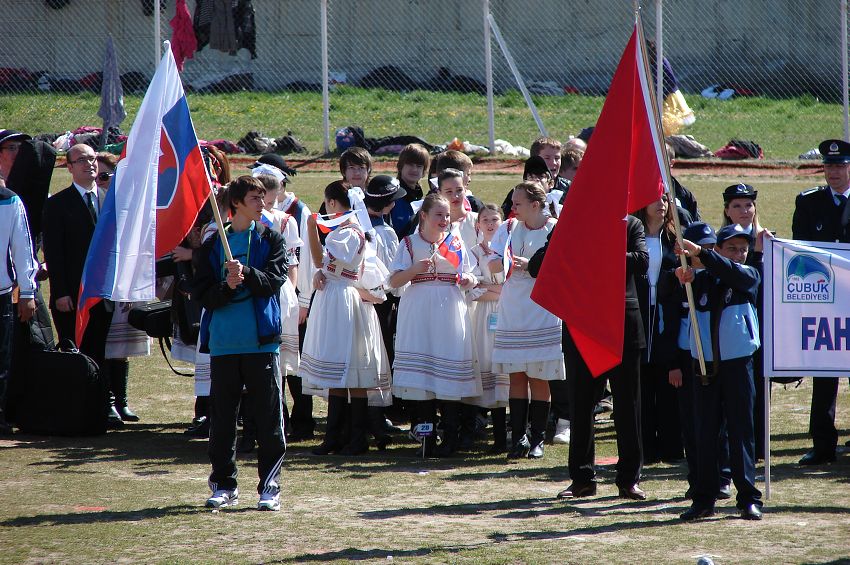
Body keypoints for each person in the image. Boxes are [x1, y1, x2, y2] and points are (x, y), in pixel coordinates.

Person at [532, 215, 648, 500]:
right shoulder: (570, 225)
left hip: (621, 325)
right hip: (582, 326)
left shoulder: (631, 224)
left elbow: (641, 261)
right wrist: (569, 244)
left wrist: (596, 251)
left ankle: (629, 479)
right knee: (581, 406)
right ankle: (582, 479)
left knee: (627, 406)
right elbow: (538, 266)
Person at [193, 175, 287, 511]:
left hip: (261, 344)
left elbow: (275, 281)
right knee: (222, 420)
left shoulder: (270, 239)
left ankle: (270, 486)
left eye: (263, 198)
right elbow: (202, 294)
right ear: (235, 204)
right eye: (254, 199)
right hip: (224, 344)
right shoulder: (213, 244)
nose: (262, 204)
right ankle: (224, 485)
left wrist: (246, 273)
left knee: (267, 418)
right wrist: (226, 286)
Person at [675, 224, 763, 521]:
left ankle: (748, 497)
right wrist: (682, 276)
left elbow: (732, 273)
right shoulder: (700, 280)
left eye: (743, 249)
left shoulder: (748, 275)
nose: (739, 255)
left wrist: (702, 254)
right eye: (731, 249)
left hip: (738, 364)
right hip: (704, 366)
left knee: (741, 432)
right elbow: (675, 287)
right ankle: (704, 498)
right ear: (719, 249)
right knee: (706, 434)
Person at [300, 181, 390, 456]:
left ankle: (357, 437)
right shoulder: (344, 231)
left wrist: (311, 229)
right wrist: (320, 273)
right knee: (338, 370)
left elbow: (320, 259)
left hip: (344, 300)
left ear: (333, 203)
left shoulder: (349, 233)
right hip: (334, 297)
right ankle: (335, 436)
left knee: (352, 369)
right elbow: (325, 267)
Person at [389, 193, 479, 457]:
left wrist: (468, 281)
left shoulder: (455, 243)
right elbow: (394, 282)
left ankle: (450, 437)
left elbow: (472, 273)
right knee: (423, 378)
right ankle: (426, 438)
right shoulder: (409, 243)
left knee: (448, 372)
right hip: (418, 310)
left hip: (449, 309)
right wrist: (415, 269)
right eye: (439, 214)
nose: (444, 220)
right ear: (424, 216)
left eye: (447, 215)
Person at [42, 144, 122, 427]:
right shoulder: (57, 204)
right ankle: (74, 411)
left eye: (92, 158)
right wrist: (62, 291)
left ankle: (100, 409)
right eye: (82, 160)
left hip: (101, 294)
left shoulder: (106, 200)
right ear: (70, 166)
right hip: (72, 296)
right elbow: (54, 253)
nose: (89, 164)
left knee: (100, 353)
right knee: (74, 352)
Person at [490, 182, 565, 459]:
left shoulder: (555, 227)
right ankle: (518, 438)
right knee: (516, 373)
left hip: (543, 305)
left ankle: (537, 439)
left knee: (539, 374)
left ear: (536, 205)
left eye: (518, 203)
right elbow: (494, 260)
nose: (512, 208)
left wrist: (530, 265)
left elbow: (562, 265)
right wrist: (502, 263)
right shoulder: (509, 228)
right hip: (513, 303)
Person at [792, 139, 850, 465]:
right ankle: (823, 443)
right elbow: (801, 252)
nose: (834, 172)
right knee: (825, 374)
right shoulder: (809, 203)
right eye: (829, 166)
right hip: (825, 300)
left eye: (840, 166)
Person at [671, 222, 732, 501]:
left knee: (718, 422)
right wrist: (673, 363)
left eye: (710, 248)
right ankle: (697, 478)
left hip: (715, 355)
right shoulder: (674, 278)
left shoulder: (719, 276)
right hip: (686, 359)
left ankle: (722, 476)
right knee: (691, 422)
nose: (705, 252)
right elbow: (669, 325)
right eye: (700, 248)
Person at [635, 195, 683, 463]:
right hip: (639, 311)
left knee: (668, 380)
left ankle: (672, 447)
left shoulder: (673, 238)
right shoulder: (634, 234)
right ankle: (645, 450)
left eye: (665, 199)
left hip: (666, 312)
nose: (661, 204)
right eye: (654, 199)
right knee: (641, 383)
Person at [468, 204, 508, 452]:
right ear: (478, 224)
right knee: (486, 365)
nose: (491, 224)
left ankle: (506, 434)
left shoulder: (508, 249)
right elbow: (473, 290)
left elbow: (512, 285)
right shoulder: (474, 252)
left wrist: (490, 288)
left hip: (507, 315)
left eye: (495, 219)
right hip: (483, 316)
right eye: (486, 219)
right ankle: (481, 430)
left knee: (505, 369)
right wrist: (500, 291)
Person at [0, 176, 37, 434]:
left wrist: (27, 291)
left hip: (1, 292)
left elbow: (23, 248)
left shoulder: (9, 200)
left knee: (1, 359)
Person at [390, 143, 430, 238]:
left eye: (419, 166)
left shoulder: (420, 197)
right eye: (410, 164)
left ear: (424, 171)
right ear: (400, 166)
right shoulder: (391, 195)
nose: (414, 169)